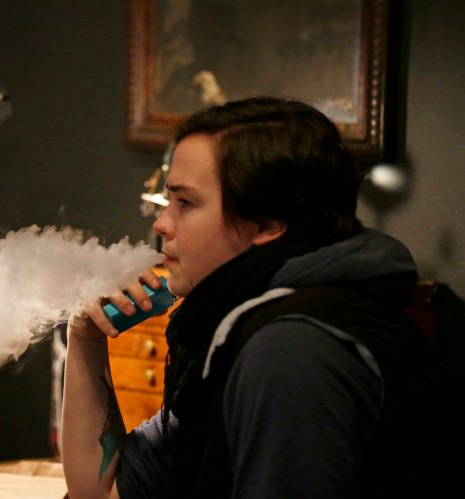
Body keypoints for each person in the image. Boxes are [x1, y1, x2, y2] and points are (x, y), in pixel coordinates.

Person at [61, 96, 426, 498]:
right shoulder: (228, 327)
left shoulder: (293, 349)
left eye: (186, 203)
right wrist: (86, 336)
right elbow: (102, 492)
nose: (163, 223)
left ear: (267, 225)